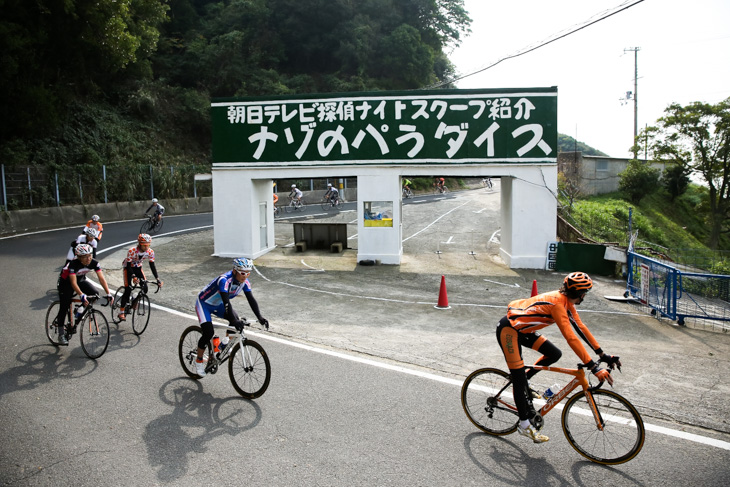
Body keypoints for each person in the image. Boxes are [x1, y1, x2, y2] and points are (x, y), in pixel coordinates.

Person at [496, 272, 621, 444]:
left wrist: (602, 354)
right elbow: (571, 338)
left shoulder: (566, 302)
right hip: (509, 331)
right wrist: (593, 367)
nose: (585, 295)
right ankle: (523, 425)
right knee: (518, 378)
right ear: (580, 293)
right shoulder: (557, 304)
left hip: (524, 331)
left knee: (554, 354)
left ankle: (526, 378)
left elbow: (581, 328)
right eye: (585, 292)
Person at [193, 258, 269, 376]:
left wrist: (260, 317)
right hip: (204, 304)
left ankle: (224, 343)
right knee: (208, 332)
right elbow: (226, 302)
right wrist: (234, 321)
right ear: (235, 271)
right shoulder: (224, 280)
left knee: (235, 318)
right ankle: (198, 360)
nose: (245, 276)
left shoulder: (245, 282)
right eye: (242, 273)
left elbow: (251, 299)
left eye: (248, 273)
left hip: (218, 304)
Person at [55, 243, 113, 345]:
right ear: (79, 257)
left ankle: (79, 309)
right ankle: (60, 334)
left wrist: (108, 293)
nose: (88, 258)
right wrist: (81, 295)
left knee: (95, 294)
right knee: (64, 306)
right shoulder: (72, 264)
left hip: (80, 280)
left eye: (90, 255)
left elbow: (101, 278)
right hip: (66, 283)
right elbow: (73, 283)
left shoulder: (94, 263)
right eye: (85, 257)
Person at [118, 233, 163, 321]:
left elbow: (152, 265)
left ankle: (135, 298)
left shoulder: (150, 252)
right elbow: (128, 266)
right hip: (128, 268)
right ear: (139, 244)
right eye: (144, 245)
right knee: (128, 289)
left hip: (138, 268)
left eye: (148, 245)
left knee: (145, 288)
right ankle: (121, 312)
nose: (146, 247)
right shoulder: (132, 250)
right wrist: (134, 277)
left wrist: (157, 278)